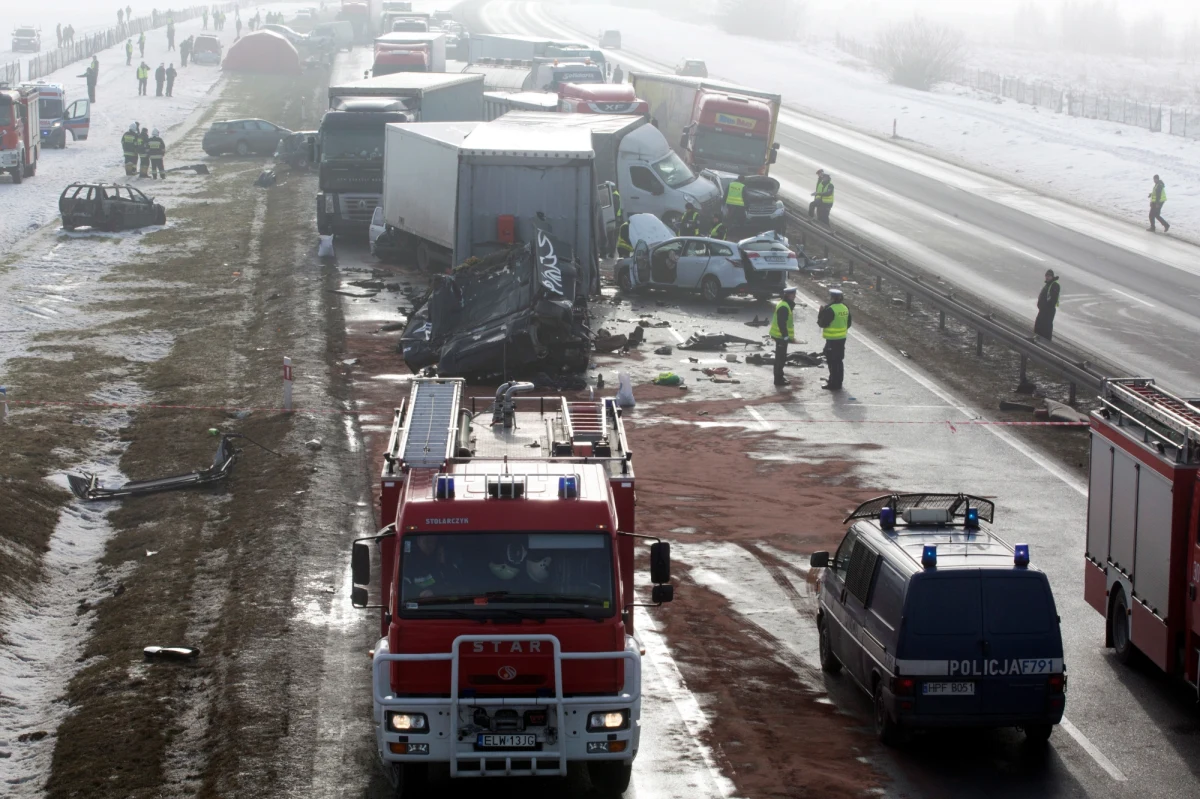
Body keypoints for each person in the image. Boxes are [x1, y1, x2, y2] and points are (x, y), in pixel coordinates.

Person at [817, 288, 852, 390]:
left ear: (832, 298)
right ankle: (838, 381)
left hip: (832, 340)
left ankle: (833, 383)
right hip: (842, 339)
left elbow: (822, 323)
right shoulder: (845, 308)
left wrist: (820, 313)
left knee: (832, 362)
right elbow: (848, 323)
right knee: (839, 361)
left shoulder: (830, 309)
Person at [769, 286, 798, 386]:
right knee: (780, 359)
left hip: (780, 336)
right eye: (793, 294)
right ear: (788, 295)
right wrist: (785, 336)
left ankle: (780, 376)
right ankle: (778, 380)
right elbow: (782, 323)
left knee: (781, 357)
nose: (795, 296)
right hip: (780, 337)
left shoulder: (785, 304)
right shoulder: (784, 307)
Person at [1034, 269, 1060, 341]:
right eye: (1046, 276)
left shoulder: (1054, 285)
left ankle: (1045, 342)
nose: (1047, 277)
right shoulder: (1049, 284)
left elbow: (1052, 299)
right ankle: (1038, 339)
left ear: (1052, 277)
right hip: (1043, 310)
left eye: (1049, 276)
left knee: (1046, 327)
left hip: (1048, 311)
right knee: (1039, 325)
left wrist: (1045, 306)